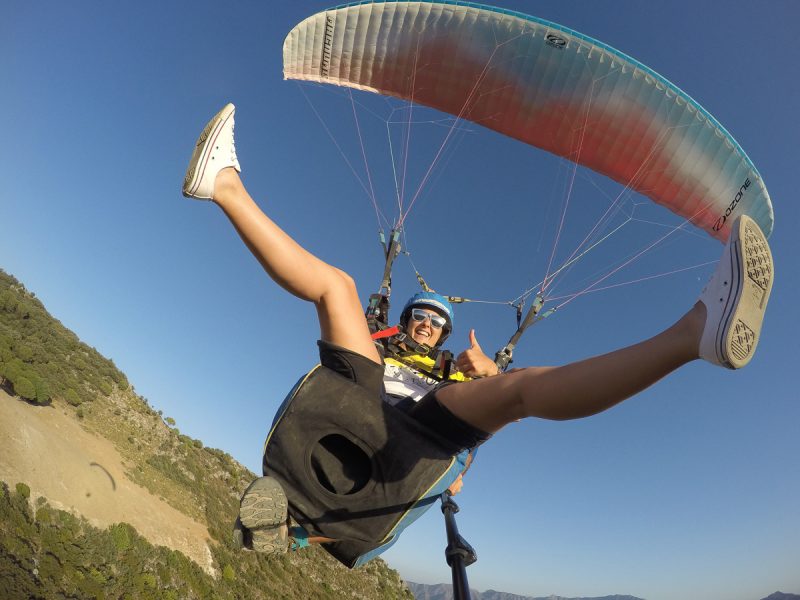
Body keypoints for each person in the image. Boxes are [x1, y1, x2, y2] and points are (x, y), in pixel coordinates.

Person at [181, 103, 774, 566]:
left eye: (438, 322)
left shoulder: (453, 373)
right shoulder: (379, 338)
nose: (429, 324)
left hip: (420, 430)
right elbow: (353, 340)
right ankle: (223, 185)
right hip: (359, 395)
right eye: (423, 315)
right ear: (407, 315)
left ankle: (694, 334)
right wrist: (383, 340)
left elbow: (474, 429)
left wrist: (484, 375)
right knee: (336, 285)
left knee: (513, 392)